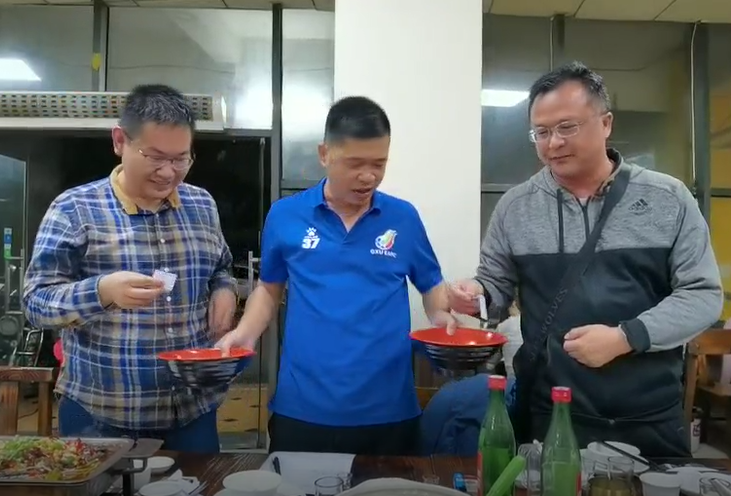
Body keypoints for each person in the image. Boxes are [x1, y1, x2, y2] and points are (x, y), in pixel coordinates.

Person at [448, 61, 723, 458]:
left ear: (606, 123)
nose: (553, 143)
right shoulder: (516, 207)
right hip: (552, 412)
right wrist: (473, 293)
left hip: (649, 414)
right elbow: (494, 286)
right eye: (541, 132)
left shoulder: (667, 198)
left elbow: (702, 295)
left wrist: (625, 338)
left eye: (567, 127)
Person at [217, 96, 456, 456]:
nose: (368, 176)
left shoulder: (403, 217)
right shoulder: (286, 215)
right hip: (302, 409)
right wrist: (245, 333)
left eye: (379, 164)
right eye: (355, 163)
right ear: (324, 154)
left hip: (388, 411)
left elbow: (431, 283)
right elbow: (268, 289)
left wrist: (439, 315)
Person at [23, 84, 239, 453]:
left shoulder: (202, 204)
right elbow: (35, 303)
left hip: (193, 409)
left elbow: (221, 266)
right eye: (154, 157)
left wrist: (225, 290)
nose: (168, 172)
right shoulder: (74, 209)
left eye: (181, 159)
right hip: (103, 415)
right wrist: (102, 292)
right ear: (120, 141)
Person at [420, 305, 522, 456]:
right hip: (522, 389)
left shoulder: (506, 325)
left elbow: (489, 363)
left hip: (508, 384)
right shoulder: (540, 327)